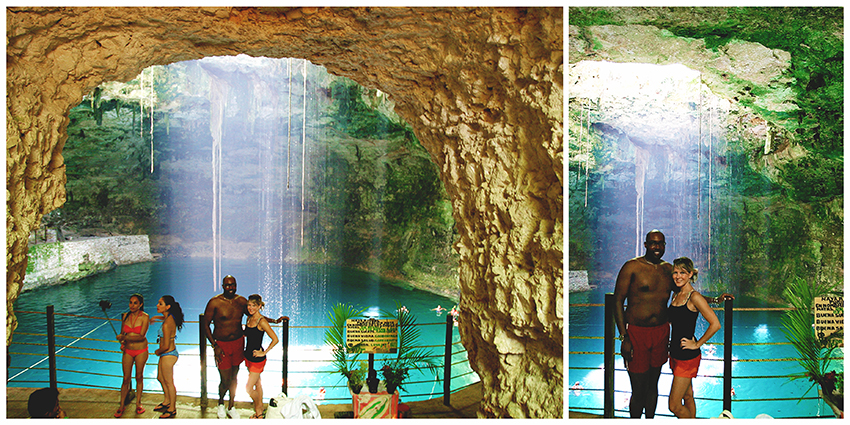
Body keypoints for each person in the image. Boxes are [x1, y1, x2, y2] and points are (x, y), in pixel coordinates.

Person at [614, 230, 732, 418]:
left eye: (660, 243)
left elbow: (691, 295)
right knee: (638, 390)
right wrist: (623, 336)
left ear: (664, 246)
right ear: (645, 245)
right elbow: (617, 301)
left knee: (653, 386)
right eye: (653, 243)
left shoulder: (668, 270)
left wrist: (716, 300)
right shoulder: (631, 267)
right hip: (637, 333)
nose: (656, 247)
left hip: (661, 333)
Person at [203, 275, 283, 419]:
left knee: (234, 378)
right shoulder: (214, 303)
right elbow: (205, 325)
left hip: (239, 344)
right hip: (222, 345)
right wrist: (214, 345)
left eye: (233, 285)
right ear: (222, 286)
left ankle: (231, 406)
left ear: (236, 285)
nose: (230, 288)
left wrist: (275, 321)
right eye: (227, 285)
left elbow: (256, 316)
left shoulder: (241, 301)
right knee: (225, 379)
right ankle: (221, 404)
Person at [667, 257, 721, 418]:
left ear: (690, 274)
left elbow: (715, 324)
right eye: (675, 273)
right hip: (675, 353)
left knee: (674, 406)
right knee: (688, 396)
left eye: (682, 273)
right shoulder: (676, 294)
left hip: (687, 357)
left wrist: (697, 344)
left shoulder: (694, 297)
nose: (678, 276)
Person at [243, 294, 279, 419]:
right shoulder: (248, 318)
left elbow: (275, 339)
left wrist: (264, 352)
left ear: (259, 306)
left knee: (248, 388)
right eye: (249, 305)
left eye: (254, 305)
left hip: (257, 360)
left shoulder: (261, 321)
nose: (250, 308)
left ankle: (260, 408)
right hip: (248, 357)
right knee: (257, 384)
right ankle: (259, 413)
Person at [115, 293, 149, 417]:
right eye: (130, 302)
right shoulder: (125, 316)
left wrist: (125, 337)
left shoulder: (145, 317)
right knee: (125, 379)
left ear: (140, 304)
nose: (132, 305)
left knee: (139, 377)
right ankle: (122, 405)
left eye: (135, 303)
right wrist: (122, 340)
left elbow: (141, 336)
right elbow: (122, 334)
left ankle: (138, 403)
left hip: (141, 351)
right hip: (128, 351)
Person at [153, 295, 185, 419]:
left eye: (160, 304)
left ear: (168, 307)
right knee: (160, 377)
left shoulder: (167, 324)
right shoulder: (170, 317)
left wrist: (158, 351)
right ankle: (166, 401)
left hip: (167, 353)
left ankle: (172, 408)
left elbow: (165, 345)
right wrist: (156, 317)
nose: (157, 305)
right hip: (167, 354)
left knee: (169, 382)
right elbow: (165, 318)